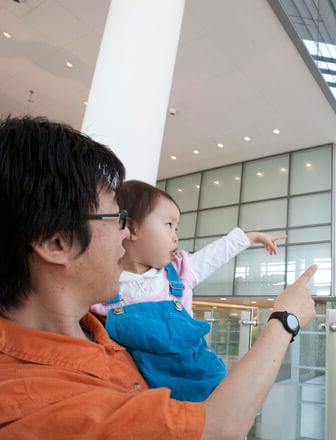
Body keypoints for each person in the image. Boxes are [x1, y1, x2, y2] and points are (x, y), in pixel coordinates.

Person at [0, 115, 317, 438]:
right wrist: (285, 319)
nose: (125, 233)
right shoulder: (38, 407)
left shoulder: (97, 331)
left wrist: (247, 238)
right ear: (57, 242)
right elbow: (218, 427)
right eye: (118, 218)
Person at [90, 179, 285, 402]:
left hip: (201, 379)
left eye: (177, 228)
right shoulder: (103, 285)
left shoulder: (181, 271)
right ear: (132, 228)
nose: (175, 236)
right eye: (169, 225)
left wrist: (252, 237)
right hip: (142, 391)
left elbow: (216, 253)